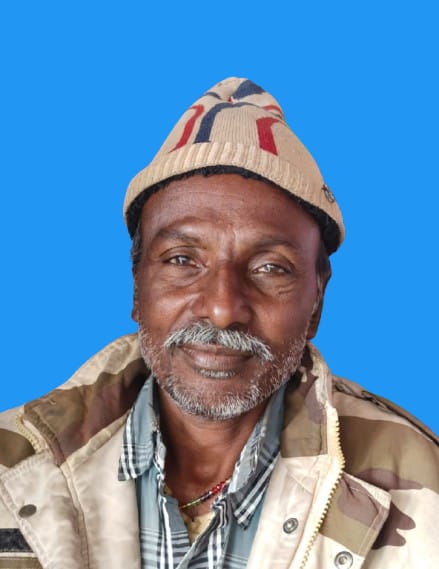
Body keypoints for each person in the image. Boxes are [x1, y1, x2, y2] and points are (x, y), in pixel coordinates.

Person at [0, 77, 437, 569]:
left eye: (270, 268)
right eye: (182, 259)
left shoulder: (423, 483)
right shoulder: (13, 465)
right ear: (137, 287)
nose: (223, 307)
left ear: (317, 300)